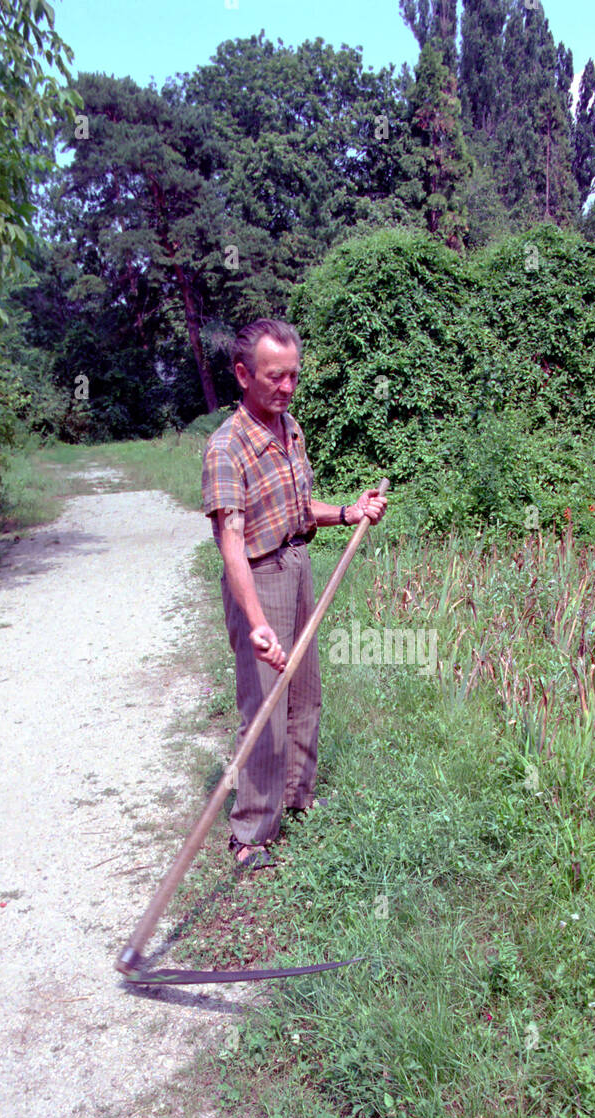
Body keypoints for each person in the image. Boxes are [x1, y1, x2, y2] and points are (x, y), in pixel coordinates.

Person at [202, 318, 387, 868]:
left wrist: (350, 512)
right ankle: (252, 834)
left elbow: (298, 511)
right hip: (257, 580)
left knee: (304, 696)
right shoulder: (225, 448)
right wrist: (256, 621)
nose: (285, 387)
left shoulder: (291, 430)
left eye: (292, 377)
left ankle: (295, 799)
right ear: (242, 375)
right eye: (273, 377)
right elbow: (231, 542)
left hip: (298, 565)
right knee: (265, 705)